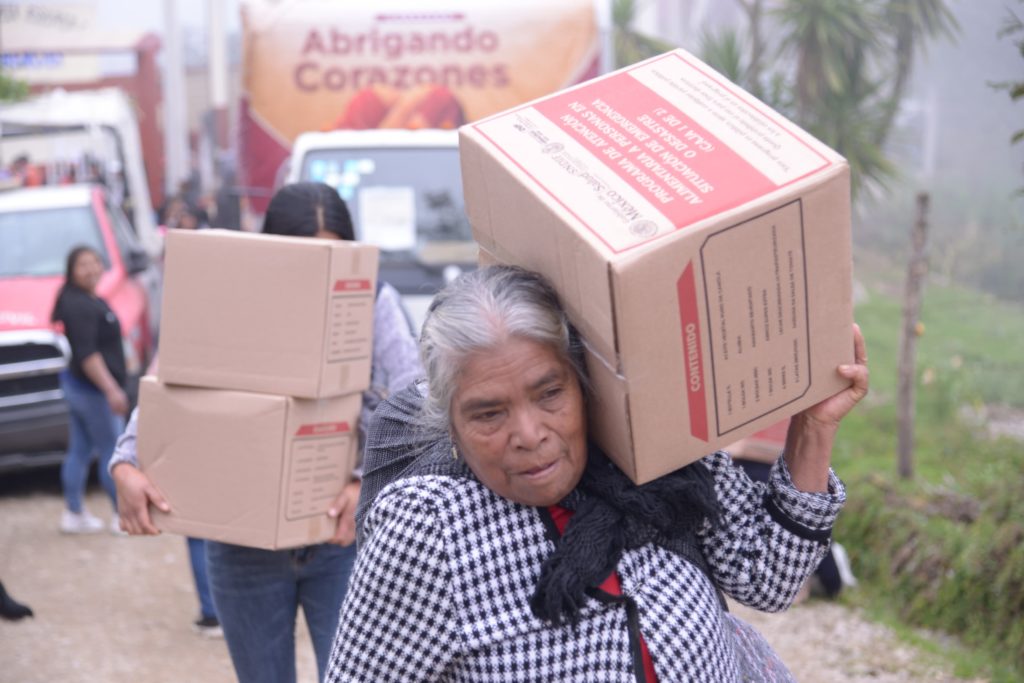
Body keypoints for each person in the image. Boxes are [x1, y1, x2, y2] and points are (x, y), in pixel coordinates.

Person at [328, 266, 869, 681]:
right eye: (488, 413)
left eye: (549, 394)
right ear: (450, 424)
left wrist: (813, 427)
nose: (529, 433)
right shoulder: (430, 531)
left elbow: (771, 579)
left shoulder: (656, 461)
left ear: (584, 382)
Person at [111, 182, 422, 683]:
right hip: (243, 545)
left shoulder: (373, 301)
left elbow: (414, 403)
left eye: (335, 257)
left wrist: (363, 484)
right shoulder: (229, 298)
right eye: (308, 259)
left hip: (343, 542)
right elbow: (168, 381)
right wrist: (125, 463)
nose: (324, 277)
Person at [51, 246, 128, 534]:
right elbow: (88, 355)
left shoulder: (86, 299)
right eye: (83, 264)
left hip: (78, 387)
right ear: (71, 270)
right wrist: (111, 390)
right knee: (114, 452)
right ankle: (122, 515)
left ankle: (74, 513)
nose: (91, 269)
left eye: (95, 262)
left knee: (80, 450)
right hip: (92, 391)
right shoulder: (79, 305)